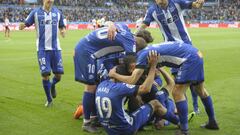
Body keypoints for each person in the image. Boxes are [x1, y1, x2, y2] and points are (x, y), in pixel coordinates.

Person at [109, 42, 219, 134]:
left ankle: (184, 130)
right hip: (195, 53)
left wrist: (114, 75)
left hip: (189, 59)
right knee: (200, 90)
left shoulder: (142, 57)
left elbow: (132, 80)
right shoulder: (147, 52)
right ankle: (212, 121)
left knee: (177, 92)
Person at [73, 22, 147, 133]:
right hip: (86, 52)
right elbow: (132, 66)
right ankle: (86, 123)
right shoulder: (130, 42)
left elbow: (114, 24)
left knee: (95, 83)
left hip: (89, 50)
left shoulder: (125, 29)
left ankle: (94, 118)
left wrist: (111, 24)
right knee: (90, 87)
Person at [136, 0, 206, 114]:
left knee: (194, 82)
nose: (160, 1)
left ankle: (195, 105)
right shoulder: (152, 10)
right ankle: (183, 109)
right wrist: (135, 34)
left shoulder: (177, 3)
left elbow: (194, 5)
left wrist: (199, 4)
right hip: (171, 48)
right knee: (177, 81)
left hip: (186, 46)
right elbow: (145, 23)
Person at [96, 51, 164, 134]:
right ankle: (180, 123)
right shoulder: (121, 87)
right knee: (155, 103)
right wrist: (154, 66)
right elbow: (143, 87)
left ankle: (159, 119)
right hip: (126, 128)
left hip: (109, 129)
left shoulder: (101, 85)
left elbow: (157, 82)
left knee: (157, 97)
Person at [19, 0, 66, 107]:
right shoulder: (35, 12)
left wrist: (63, 30)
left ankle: (52, 85)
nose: (50, 0)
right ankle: (49, 100)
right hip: (42, 49)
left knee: (58, 76)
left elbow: (62, 26)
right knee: (45, 74)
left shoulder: (58, 13)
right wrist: (22, 25)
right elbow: (26, 23)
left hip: (56, 49)